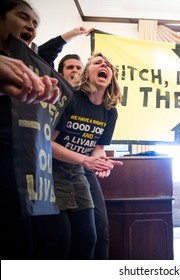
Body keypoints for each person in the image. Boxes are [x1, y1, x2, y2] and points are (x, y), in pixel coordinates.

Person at [0, 0, 65, 259]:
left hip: (20, 187)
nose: (31, 27)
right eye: (23, 17)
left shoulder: (25, 69)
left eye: (35, 24)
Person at [48, 52, 122, 259]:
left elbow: (97, 146)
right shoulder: (70, 99)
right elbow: (46, 142)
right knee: (61, 239)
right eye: (98, 63)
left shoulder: (110, 111)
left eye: (108, 64)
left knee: (90, 237)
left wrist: (100, 160)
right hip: (51, 171)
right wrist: (84, 159)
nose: (104, 65)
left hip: (79, 171)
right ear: (86, 73)